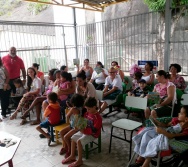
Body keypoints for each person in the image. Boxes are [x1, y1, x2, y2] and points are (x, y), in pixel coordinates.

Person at [62, 97, 102, 167]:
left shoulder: (98, 118)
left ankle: (80, 161)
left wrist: (82, 130)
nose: (87, 110)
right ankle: (72, 156)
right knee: (73, 138)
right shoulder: (87, 113)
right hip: (85, 131)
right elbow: (83, 123)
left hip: (93, 134)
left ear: (94, 107)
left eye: (89, 109)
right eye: (86, 108)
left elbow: (94, 130)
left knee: (79, 142)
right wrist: (78, 126)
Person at [59, 94, 85, 158]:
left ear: (73, 102)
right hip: (76, 126)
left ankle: (69, 149)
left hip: (76, 128)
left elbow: (67, 116)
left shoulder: (73, 109)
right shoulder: (82, 108)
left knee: (65, 136)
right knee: (61, 132)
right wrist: (70, 107)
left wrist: (70, 109)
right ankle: (65, 146)